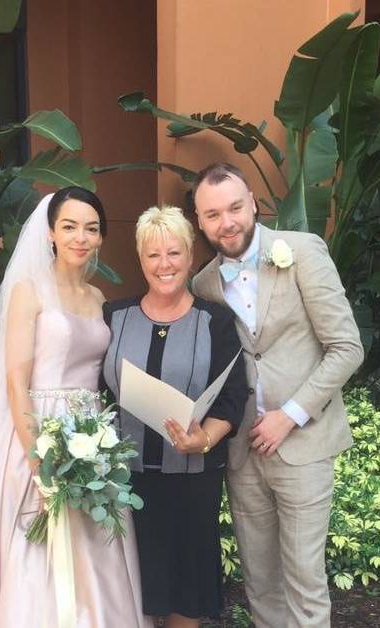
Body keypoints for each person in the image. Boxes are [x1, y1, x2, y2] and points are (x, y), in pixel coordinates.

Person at [0, 187, 150, 627]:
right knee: (35, 554)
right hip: (36, 431)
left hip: (93, 438)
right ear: (51, 232)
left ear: (101, 237)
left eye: (91, 228)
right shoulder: (29, 292)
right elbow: (14, 379)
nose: (80, 237)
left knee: (95, 548)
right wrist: (38, 458)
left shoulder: (98, 299)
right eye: (69, 226)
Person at [190, 163, 364, 628]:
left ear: (253, 203)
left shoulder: (301, 251)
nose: (226, 222)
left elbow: (346, 348)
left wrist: (289, 416)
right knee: (260, 583)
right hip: (243, 450)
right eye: (212, 215)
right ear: (200, 221)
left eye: (233, 207)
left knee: (305, 582)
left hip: (302, 446)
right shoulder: (203, 285)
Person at [101, 205, 248, 628]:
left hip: (192, 477)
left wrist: (204, 438)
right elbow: (95, 392)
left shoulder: (215, 320)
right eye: (153, 255)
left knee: (186, 589)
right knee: (129, 590)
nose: (164, 265)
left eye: (174, 253)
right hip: (123, 480)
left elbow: (232, 396)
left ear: (188, 256)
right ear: (140, 259)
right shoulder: (113, 316)